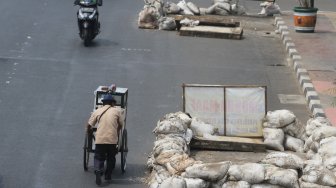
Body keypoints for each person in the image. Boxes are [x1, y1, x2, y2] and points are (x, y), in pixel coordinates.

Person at [86, 94, 124, 185]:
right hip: (112, 139)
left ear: (103, 103)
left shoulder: (97, 111)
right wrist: (116, 131)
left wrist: (89, 132)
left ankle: (98, 170)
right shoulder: (117, 111)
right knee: (111, 157)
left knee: (99, 156)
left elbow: (89, 125)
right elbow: (121, 124)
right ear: (112, 103)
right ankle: (108, 175)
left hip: (100, 139)